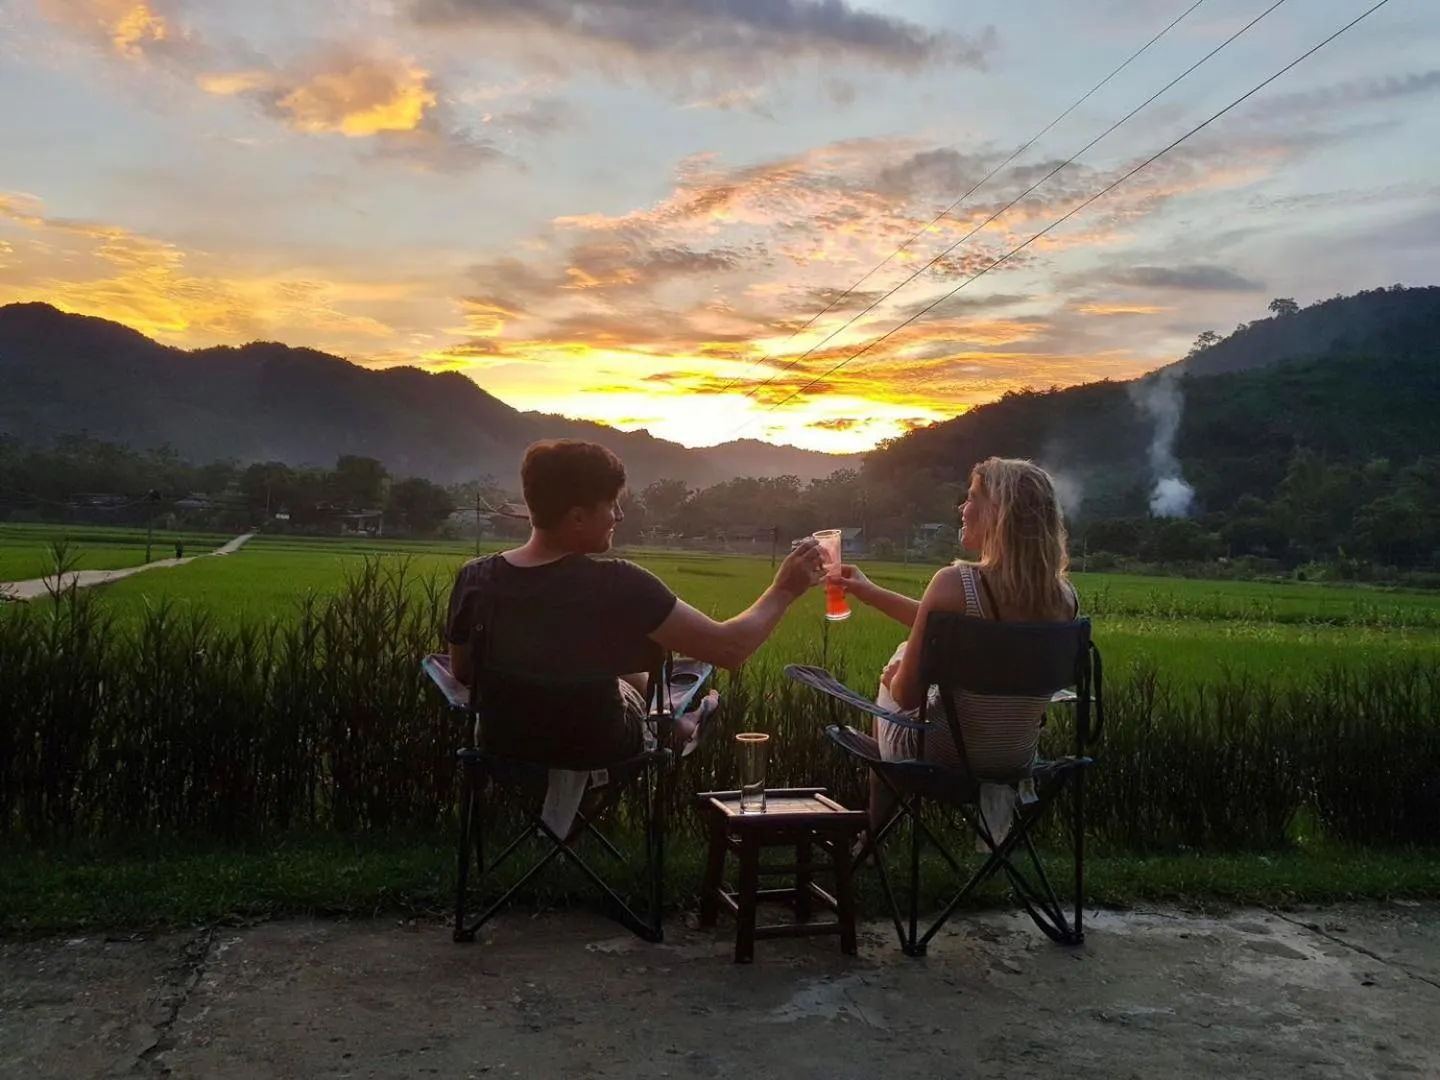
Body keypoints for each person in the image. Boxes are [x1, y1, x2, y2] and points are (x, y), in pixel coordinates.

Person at [445, 439, 825, 765]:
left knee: (590, 661)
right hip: (597, 745)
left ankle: (678, 724)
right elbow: (729, 648)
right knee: (603, 669)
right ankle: (679, 725)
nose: (619, 515)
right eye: (611, 505)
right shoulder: (620, 584)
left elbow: (464, 673)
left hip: (503, 744)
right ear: (577, 517)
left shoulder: (476, 577)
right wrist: (784, 590)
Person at [836, 457, 1079, 831]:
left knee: (902, 656)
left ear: (998, 513)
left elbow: (907, 697)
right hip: (1018, 762)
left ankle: (873, 832)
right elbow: (957, 629)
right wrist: (870, 593)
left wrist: (892, 678)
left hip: (944, 758)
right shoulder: (1064, 599)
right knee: (913, 652)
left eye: (972, 498)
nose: (962, 509)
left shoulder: (954, 583)